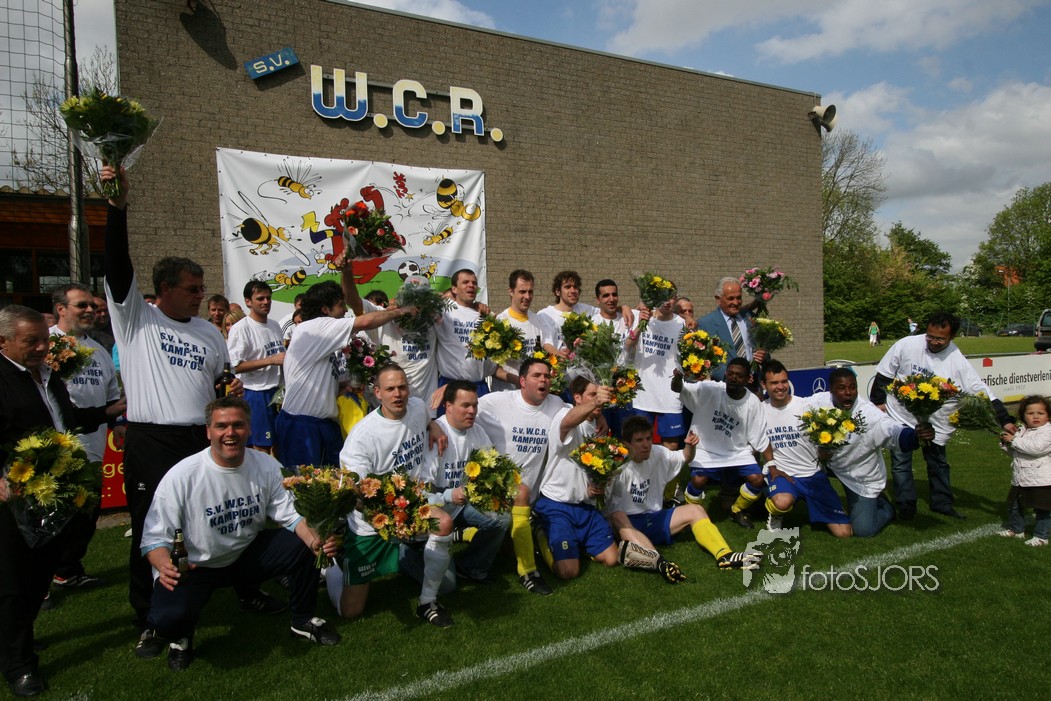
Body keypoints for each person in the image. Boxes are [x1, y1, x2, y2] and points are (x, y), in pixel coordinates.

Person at [100, 166, 285, 660]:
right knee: (152, 528)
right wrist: (117, 208)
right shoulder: (136, 317)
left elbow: (219, 381)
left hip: (203, 439)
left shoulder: (207, 332)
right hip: (152, 439)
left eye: (202, 287)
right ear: (163, 288)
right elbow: (116, 266)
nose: (201, 294)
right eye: (191, 287)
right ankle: (150, 617)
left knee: (236, 515)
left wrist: (228, 388)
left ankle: (245, 588)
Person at [140, 397, 341, 671]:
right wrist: (164, 564)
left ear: (249, 428)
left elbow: (291, 515)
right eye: (221, 426)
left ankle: (303, 620)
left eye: (238, 425)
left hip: (245, 554)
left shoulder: (266, 465)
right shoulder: (182, 476)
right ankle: (181, 638)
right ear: (208, 431)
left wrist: (315, 540)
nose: (230, 433)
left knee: (304, 542)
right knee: (168, 619)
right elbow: (153, 537)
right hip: (198, 565)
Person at [0, 305, 116, 697]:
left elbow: (69, 421)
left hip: (53, 492)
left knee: (40, 573)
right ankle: (18, 665)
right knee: (14, 580)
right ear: (3, 342)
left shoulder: (49, 376)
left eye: (43, 341)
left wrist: (113, 410)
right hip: (13, 498)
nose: (40, 348)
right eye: (30, 341)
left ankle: (18, 637)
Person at [334, 364, 455, 627]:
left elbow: (425, 419)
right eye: (390, 389)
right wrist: (391, 519)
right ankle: (333, 564)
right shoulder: (362, 437)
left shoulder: (417, 407)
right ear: (377, 393)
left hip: (412, 505)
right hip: (373, 522)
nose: (397, 394)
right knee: (350, 611)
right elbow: (357, 494)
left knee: (445, 542)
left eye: (402, 387)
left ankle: (427, 602)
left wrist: (433, 426)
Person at [870, 311, 1015, 520]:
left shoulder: (957, 361)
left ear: (952, 336)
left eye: (940, 339)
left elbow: (982, 392)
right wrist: (878, 402)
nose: (934, 342)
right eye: (930, 336)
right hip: (900, 413)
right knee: (900, 461)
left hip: (935, 420)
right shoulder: (906, 345)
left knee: (938, 462)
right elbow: (884, 373)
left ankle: (942, 503)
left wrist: (1005, 421)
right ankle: (906, 504)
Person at [533, 376, 671, 581]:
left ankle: (574, 543)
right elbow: (567, 422)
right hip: (558, 503)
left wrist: (598, 487)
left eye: (600, 395)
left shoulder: (600, 429)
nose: (598, 399)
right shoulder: (565, 414)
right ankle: (540, 531)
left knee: (612, 558)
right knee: (568, 572)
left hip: (587, 506)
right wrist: (597, 402)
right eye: (592, 394)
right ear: (577, 397)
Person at [276, 269, 412, 469]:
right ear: (325, 309)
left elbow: (316, 378)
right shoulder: (314, 327)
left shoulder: (319, 335)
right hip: (302, 425)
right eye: (341, 305)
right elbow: (365, 321)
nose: (344, 311)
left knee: (333, 481)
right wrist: (399, 312)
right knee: (305, 484)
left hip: (322, 423)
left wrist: (342, 386)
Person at [606, 416, 762, 570]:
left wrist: (690, 445)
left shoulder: (657, 452)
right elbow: (606, 507)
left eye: (648, 439)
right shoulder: (617, 465)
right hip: (625, 526)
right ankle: (659, 563)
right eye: (639, 440)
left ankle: (724, 555)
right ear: (627, 444)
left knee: (696, 510)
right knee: (617, 515)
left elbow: (685, 456)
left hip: (652, 518)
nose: (646, 444)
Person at [48, 283, 123, 590]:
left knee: (85, 515)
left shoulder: (99, 350)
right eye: (82, 305)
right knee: (54, 516)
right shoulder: (46, 344)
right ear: (61, 309)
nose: (91, 310)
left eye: (92, 305)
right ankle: (42, 577)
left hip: (92, 445)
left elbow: (112, 395)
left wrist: (118, 425)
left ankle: (68, 571)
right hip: (53, 448)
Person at [475, 357, 566, 595]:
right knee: (521, 492)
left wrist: (598, 417)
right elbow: (464, 406)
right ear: (522, 381)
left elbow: (575, 416)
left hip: (532, 496)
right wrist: (436, 424)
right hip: (498, 488)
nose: (543, 380)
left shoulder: (556, 404)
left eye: (547, 376)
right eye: (537, 375)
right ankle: (528, 572)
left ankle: (465, 534)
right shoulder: (497, 401)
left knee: (507, 547)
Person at [808, 368, 931, 538]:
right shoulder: (818, 402)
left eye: (852, 387)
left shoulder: (869, 415)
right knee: (800, 466)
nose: (848, 392)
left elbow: (893, 432)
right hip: (828, 466)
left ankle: (885, 507)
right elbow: (792, 407)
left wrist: (915, 436)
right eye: (842, 388)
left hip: (859, 474)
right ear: (831, 390)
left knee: (863, 530)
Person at [426, 381, 511, 582]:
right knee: (446, 584)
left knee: (501, 517)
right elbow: (424, 487)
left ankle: (472, 567)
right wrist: (448, 496)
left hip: (462, 505)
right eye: (465, 405)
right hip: (434, 508)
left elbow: (491, 465)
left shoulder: (477, 431)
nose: (472, 411)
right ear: (448, 406)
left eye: (474, 405)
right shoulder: (435, 436)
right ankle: (408, 552)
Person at [673, 358, 770, 529]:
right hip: (704, 448)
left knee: (757, 480)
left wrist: (772, 464)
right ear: (725, 374)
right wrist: (678, 378)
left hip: (736, 452)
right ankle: (691, 515)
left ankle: (737, 510)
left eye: (739, 375)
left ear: (748, 379)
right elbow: (678, 388)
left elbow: (760, 438)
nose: (733, 378)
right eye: (730, 373)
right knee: (698, 480)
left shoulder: (753, 402)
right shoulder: (710, 388)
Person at [758, 362, 852, 537]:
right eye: (774, 383)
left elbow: (825, 436)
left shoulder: (806, 406)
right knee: (781, 502)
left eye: (784, 381)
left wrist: (826, 450)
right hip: (783, 474)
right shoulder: (760, 411)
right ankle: (776, 512)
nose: (780, 387)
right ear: (764, 384)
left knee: (844, 533)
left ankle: (818, 504)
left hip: (813, 474)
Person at [432, 268, 515, 404]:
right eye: (465, 282)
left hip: (479, 387)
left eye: (474, 283)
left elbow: (492, 364)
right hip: (450, 386)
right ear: (454, 289)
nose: (471, 285)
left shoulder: (486, 317)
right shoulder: (444, 310)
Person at [226, 280, 286, 454]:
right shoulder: (241, 328)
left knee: (281, 443)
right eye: (260, 298)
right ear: (248, 302)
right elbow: (235, 366)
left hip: (277, 392)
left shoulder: (274, 325)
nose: (266, 302)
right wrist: (270, 360)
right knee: (262, 446)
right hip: (256, 392)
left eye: (268, 298)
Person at [631, 292, 687, 450]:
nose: (667, 302)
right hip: (642, 394)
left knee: (672, 444)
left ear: (675, 299)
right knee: (639, 441)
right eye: (663, 297)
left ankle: (663, 467)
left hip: (670, 395)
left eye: (671, 297)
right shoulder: (641, 317)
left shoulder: (682, 324)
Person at [999, 395, 1051, 547]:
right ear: (1023, 416)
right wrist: (1005, 444)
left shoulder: (1047, 431)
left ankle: (1041, 537)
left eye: (1040, 413)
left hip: (1041, 479)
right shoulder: (1022, 430)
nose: (1035, 416)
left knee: (1042, 509)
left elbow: (1036, 449)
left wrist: (1014, 440)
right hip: (1020, 477)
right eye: (1030, 413)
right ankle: (1017, 530)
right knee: (1014, 505)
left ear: (1048, 416)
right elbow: (1017, 452)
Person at [493, 270, 557, 391]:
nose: (527, 297)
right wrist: (517, 380)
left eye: (530, 292)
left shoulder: (538, 320)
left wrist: (560, 355)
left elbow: (547, 345)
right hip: (507, 392)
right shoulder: (499, 323)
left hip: (531, 394)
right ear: (511, 291)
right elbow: (492, 369)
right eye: (522, 292)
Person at [696, 277, 764, 382]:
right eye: (731, 298)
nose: (736, 302)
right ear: (718, 299)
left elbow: (763, 349)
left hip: (754, 384)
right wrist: (733, 376)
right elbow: (706, 360)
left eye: (739, 298)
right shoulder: (705, 324)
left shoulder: (752, 319)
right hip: (726, 386)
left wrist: (763, 356)